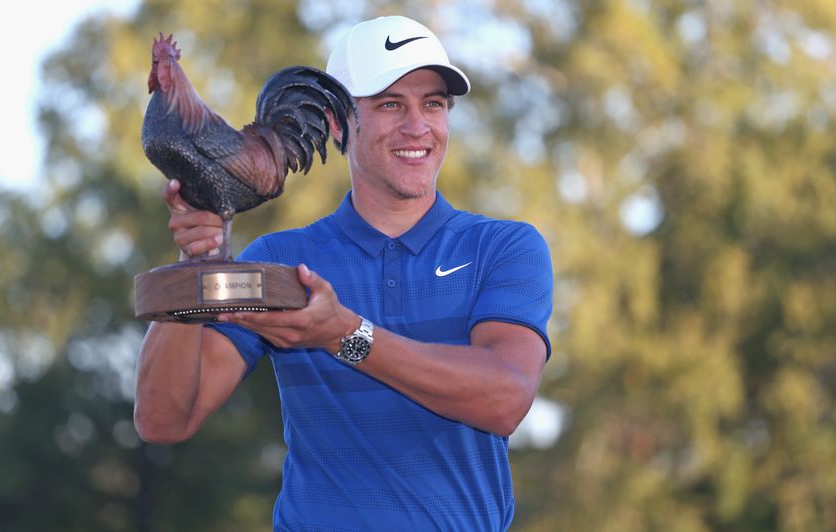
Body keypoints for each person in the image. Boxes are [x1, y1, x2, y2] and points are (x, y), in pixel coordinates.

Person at [134, 15, 553, 531]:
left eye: (434, 104)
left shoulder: (503, 248)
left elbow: (505, 397)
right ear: (339, 123)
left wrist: (346, 335)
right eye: (390, 104)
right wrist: (193, 269)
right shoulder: (281, 259)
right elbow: (163, 419)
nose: (418, 126)